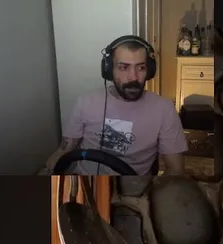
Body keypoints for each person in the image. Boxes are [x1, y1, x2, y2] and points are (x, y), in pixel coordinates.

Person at [43, 36, 187, 175]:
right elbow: (66, 147)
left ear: (149, 71)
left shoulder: (164, 109)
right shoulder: (86, 101)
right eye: (123, 67)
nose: (133, 77)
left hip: (133, 187)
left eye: (141, 67)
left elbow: (176, 170)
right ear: (109, 69)